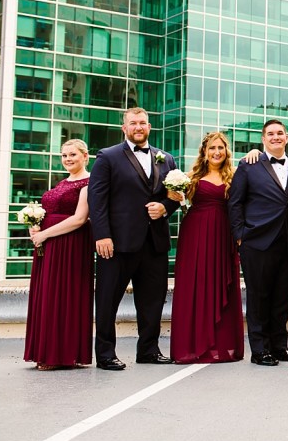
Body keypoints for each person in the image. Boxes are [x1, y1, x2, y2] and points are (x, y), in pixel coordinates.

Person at [89, 108, 181, 371]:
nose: (138, 127)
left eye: (142, 123)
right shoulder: (108, 157)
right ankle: (106, 354)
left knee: (152, 299)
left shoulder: (166, 159)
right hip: (116, 243)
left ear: (149, 127)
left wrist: (165, 207)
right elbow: (97, 200)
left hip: (154, 242)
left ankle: (149, 350)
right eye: (133, 123)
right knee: (108, 300)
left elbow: (174, 195)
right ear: (124, 128)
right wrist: (102, 235)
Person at [228, 118, 288, 367]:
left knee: (283, 297)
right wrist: (240, 234)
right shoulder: (249, 165)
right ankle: (260, 349)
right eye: (271, 134)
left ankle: (279, 345)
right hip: (257, 241)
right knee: (259, 297)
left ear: (287, 138)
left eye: (280, 133)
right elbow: (235, 202)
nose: (276, 137)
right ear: (263, 139)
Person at [170, 132, 244, 364]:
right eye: (212, 148)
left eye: (221, 148)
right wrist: (174, 195)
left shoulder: (233, 176)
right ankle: (193, 344)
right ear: (204, 151)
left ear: (226, 151)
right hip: (195, 234)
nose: (216, 152)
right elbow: (174, 198)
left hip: (223, 233)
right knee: (196, 283)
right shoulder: (191, 177)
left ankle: (221, 345)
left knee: (220, 281)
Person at [24, 139, 93, 370]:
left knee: (63, 295)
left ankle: (60, 354)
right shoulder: (62, 182)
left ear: (85, 156)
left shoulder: (90, 183)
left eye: (72, 154)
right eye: (64, 155)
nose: (67, 159)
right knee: (47, 296)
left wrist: (44, 235)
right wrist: (34, 226)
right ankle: (44, 350)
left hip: (71, 245)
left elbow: (80, 219)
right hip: (49, 247)